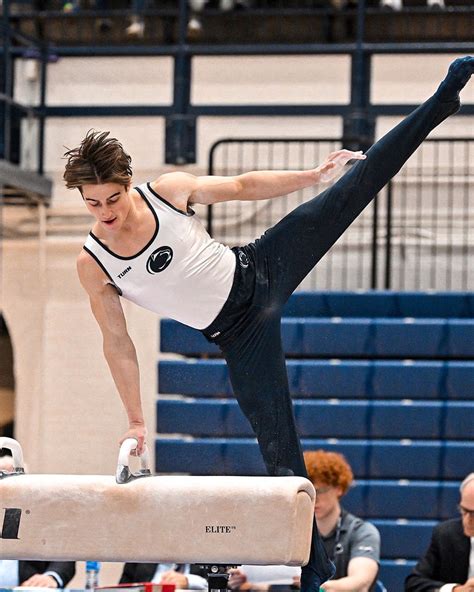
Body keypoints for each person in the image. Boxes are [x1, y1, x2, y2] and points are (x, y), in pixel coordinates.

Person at [63, 56, 474, 592]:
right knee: (281, 456)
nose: (106, 213)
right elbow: (117, 343)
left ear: (128, 183)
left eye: (112, 199)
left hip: (259, 267)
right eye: (93, 204)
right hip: (238, 336)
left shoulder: (166, 192)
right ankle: (318, 570)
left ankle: (439, 104)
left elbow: (242, 184)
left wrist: (312, 177)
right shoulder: (93, 263)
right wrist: (137, 420)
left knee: (355, 187)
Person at [228, 450, 381, 592]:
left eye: (319, 491)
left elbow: (361, 582)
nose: (314, 499)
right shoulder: (288, 530)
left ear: (339, 488)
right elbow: (275, 579)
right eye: (308, 493)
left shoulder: (361, 532)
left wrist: (313, 583)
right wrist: (247, 582)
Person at [0, 455, 76, 588]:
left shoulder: (42, 518)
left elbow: (65, 556)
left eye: (13, 479)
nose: (8, 485)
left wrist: (51, 576)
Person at [405, 472, 474, 592]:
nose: (467, 520)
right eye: (464, 510)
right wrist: (454, 590)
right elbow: (414, 583)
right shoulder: (447, 535)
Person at [120, 562, 208, 589]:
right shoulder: (140, 556)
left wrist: (189, 581)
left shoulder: (209, 557)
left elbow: (218, 584)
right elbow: (122, 589)